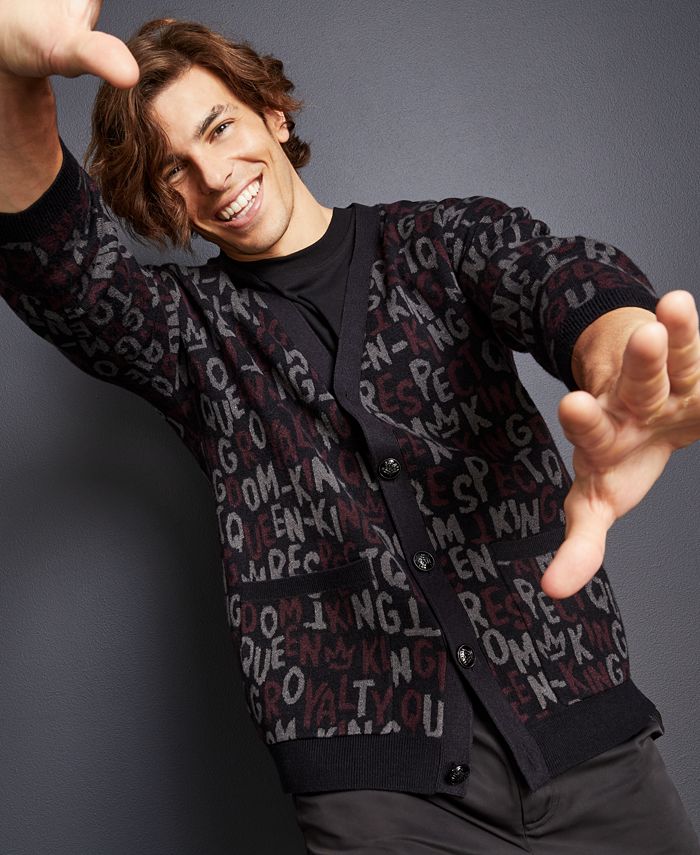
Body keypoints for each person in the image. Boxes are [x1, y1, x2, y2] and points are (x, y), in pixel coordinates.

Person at [1, 3, 699, 852]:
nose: (214, 175)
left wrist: (625, 365)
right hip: (382, 804)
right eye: (173, 169)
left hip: (590, 744)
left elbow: (559, 280)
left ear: (272, 112)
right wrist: (11, 81)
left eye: (219, 128)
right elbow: (60, 262)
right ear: (160, 200)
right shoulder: (187, 334)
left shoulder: (443, 240)